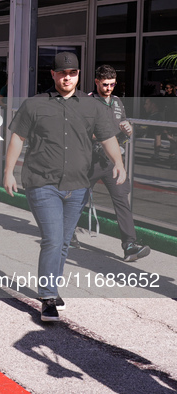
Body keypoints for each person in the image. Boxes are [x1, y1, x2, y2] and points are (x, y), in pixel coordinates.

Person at [4, 52, 126, 322]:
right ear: (53, 75)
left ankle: (52, 288)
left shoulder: (92, 106)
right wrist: (8, 171)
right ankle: (47, 297)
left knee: (63, 242)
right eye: (62, 73)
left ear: (78, 75)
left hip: (78, 184)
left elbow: (107, 137)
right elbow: (17, 137)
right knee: (53, 238)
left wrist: (118, 162)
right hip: (41, 182)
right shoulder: (34, 104)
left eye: (72, 73)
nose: (67, 77)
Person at [71, 65, 150, 261]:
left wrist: (128, 129)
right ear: (97, 81)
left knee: (122, 200)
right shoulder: (86, 102)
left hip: (112, 162)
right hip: (89, 160)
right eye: (105, 84)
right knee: (76, 199)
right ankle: (66, 233)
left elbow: (121, 123)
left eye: (112, 84)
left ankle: (130, 245)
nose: (109, 88)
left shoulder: (117, 101)